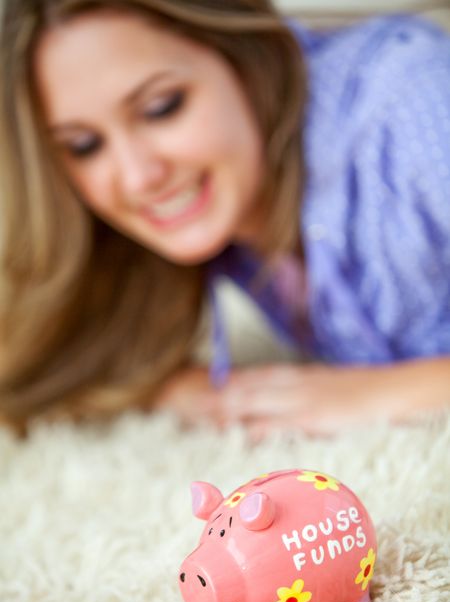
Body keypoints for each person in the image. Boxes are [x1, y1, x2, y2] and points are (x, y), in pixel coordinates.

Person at [0, 0, 449, 438]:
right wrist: (184, 390)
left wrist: (376, 395)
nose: (138, 178)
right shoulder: (222, 212)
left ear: (247, 59)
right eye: (83, 145)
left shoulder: (413, 107)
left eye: (162, 107)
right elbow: (51, 365)